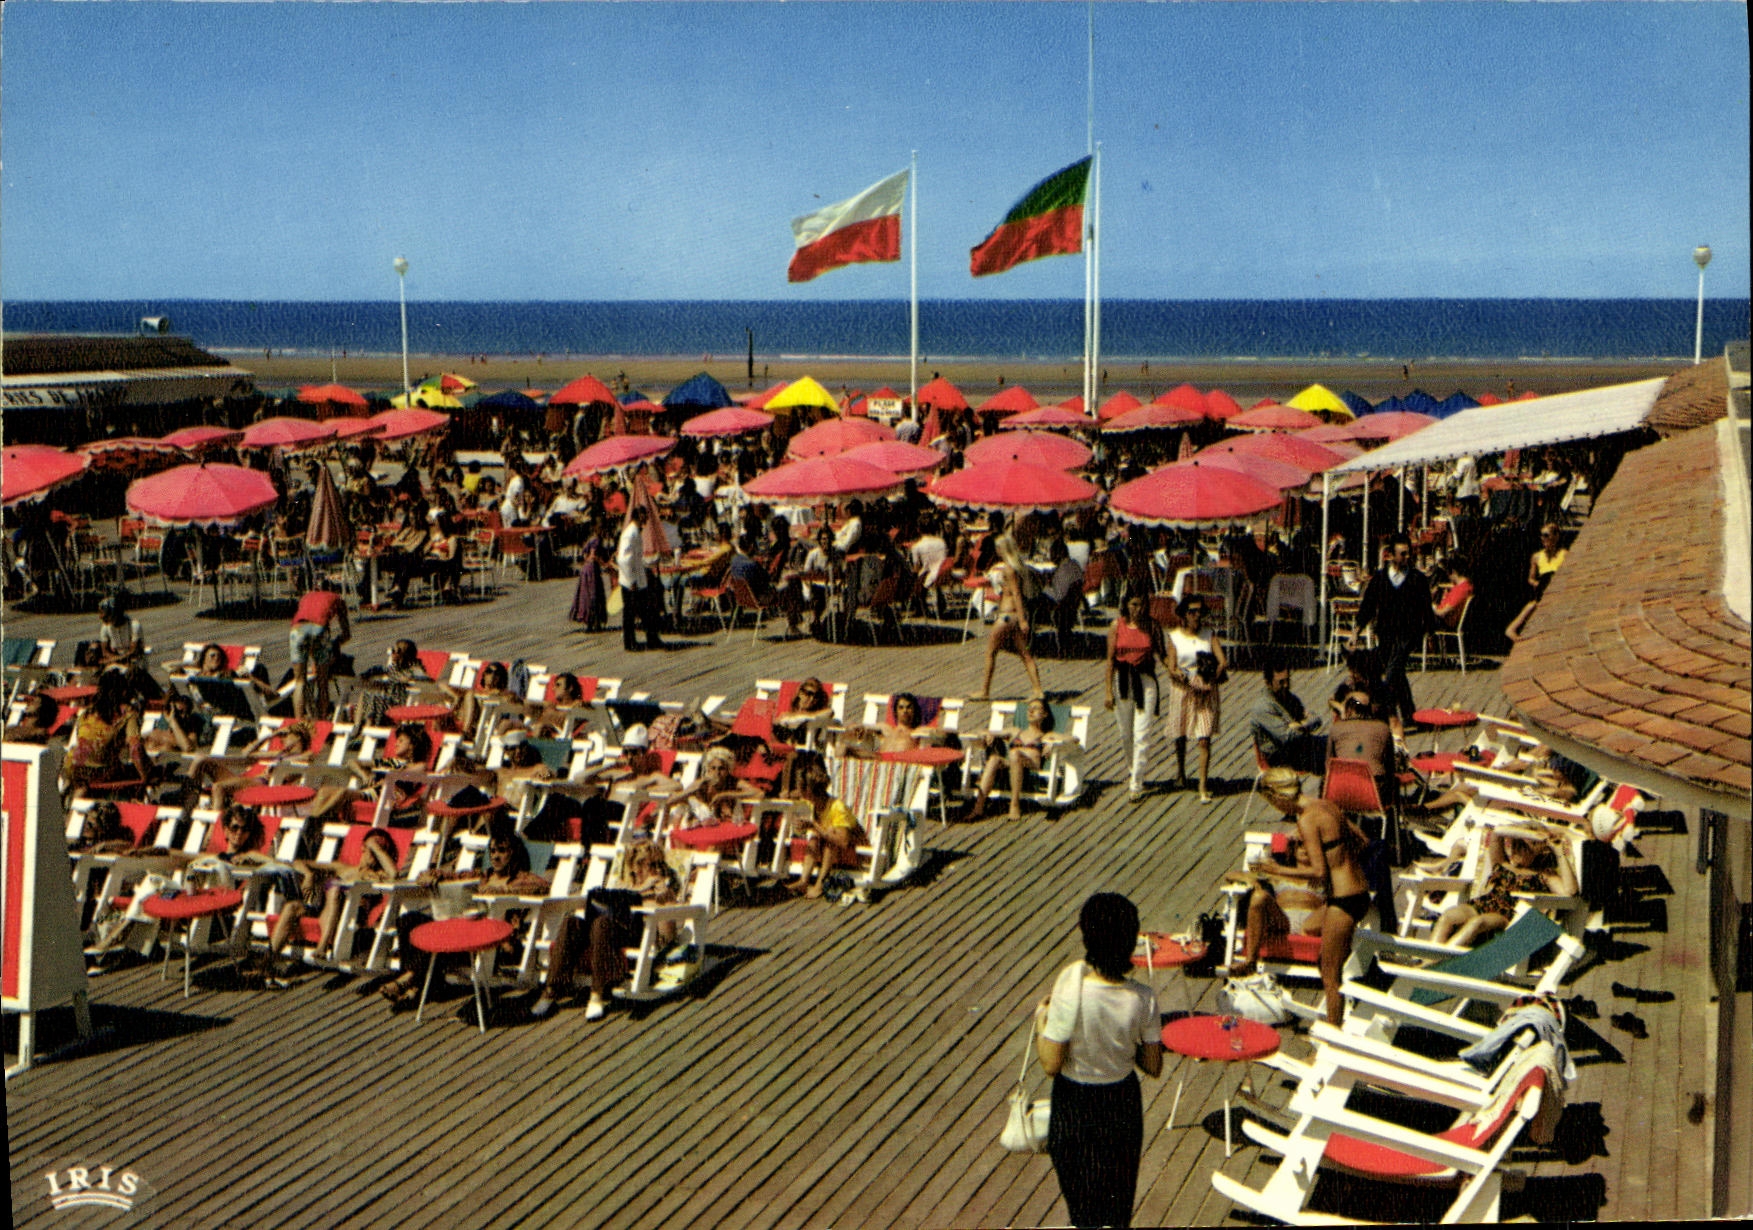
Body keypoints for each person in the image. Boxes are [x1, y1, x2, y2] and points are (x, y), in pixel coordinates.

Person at [1035, 893, 1162, 1229]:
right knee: (1117, 1209)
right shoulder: (1143, 998)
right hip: (1121, 1104)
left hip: (1075, 1103)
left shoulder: (1070, 983)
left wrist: (1040, 1024)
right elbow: (1153, 1065)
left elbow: (1050, 1063)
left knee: (1083, 1212)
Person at [1255, 768, 1371, 1026]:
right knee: (1322, 956)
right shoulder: (1327, 806)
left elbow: (1317, 872)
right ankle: (1335, 1024)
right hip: (1358, 892)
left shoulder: (1306, 820)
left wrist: (1278, 870)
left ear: (1278, 796)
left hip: (1343, 900)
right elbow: (1362, 840)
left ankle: (1333, 1040)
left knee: (1330, 976)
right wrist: (1338, 858)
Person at [530, 837, 680, 1021]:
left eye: (658, 864)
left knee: (602, 923)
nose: (653, 869)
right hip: (604, 938)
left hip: (637, 939)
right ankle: (550, 991)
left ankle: (597, 993)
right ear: (632, 866)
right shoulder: (621, 888)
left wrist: (661, 902)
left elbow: (668, 937)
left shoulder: (662, 891)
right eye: (645, 863)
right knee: (571, 922)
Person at [264, 827, 401, 982]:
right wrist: (309, 875)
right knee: (292, 907)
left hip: (347, 920)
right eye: (372, 847)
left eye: (382, 849)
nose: (376, 852)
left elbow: (394, 874)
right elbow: (298, 863)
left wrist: (375, 847)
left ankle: (322, 946)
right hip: (323, 910)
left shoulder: (377, 875)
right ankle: (268, 963)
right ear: (363, 847)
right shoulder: (343, 868)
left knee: (334, 888)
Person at [1432, 827, 1578, 946]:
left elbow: (1570, 891)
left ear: (1541, 851)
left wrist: (1558, 850)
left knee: (1478, 922)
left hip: (1505, 916)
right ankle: (1428, 961)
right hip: (1481, 904)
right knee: (1448, 916)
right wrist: (1529, 834)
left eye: (1525, 847)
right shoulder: (1501, 862)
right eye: (1516, 844)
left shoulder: (1544, 875)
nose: (1518, 850)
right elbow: (1497, 832)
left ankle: (1440, 965)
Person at [1350, 534, 1433, 728]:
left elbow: (1425, 607)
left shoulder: (1416, 578)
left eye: (1408, 553)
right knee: (1399, 675)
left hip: (1408, 635)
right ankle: (1410, 715)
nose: (1406, 557)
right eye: (1402, 554)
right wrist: (1356, 631)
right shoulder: (1380, 579)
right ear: (1391, 555)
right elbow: (1368, 606)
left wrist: (1430, 633)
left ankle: (1386, 717)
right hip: (1386, 634)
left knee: (1392, 673)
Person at [1103, 590, 1164, 800]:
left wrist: (1175, 670)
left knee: (1142, 733)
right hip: (1122, 681)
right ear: (1126, 605)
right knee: (1125, 734)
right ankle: (1133, 771)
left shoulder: (1152, 626)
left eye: (1141, 605)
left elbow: (1164, 652)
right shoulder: (1116, 626)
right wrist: (1107, 691)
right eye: (1134, 604)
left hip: (1145, 681)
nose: (1138, 610)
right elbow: (1110, 660)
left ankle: (1136, 783)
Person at [1166, 595, 1226, 803]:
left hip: (1206, 689)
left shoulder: (1209, 635)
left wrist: (1211, 679)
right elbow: (1171, 667)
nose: (1196, 615)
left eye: (1199, 611)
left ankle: (1202, 785)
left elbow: (1222, 662)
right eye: (1192, 611)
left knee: (1204, 737)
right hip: (1183, 689)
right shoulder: (1174, 636)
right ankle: (1181, 773)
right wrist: (1178, 675)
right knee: (1180, 733)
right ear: (1183, 614)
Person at [973, 534, 1044, 701]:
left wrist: (1022, 620)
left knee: (991, 651)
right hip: (1014, 616)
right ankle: (1038, 689)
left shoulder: (1008, 569)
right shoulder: (1017, 567)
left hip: (1006, 616)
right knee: (1025, 654)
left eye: (998, 548)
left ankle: (985, 691)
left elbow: (1016, 594)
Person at [968, 697, 1061, 822]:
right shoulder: (1016, 732)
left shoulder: (1046, 735)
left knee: (1015, 753)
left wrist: (1053, 743)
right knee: (995, 759)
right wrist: (988, 734)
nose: (1031, 711)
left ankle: (1014, 804)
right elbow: (982, 731)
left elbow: (1074, 739)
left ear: (1045, 714)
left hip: (1030, 766)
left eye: (1036, 708)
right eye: (1029, 709)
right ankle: (978, 808)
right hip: (1013, 764)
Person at [62, 671, 148, 801]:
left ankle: (72, 794)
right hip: (98, 771)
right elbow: (135, 748)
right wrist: (144, 777)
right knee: (133, 774)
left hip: (71, 764)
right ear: (124, 691)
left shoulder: (89, 711)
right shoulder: (127, 713)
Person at [789, 758, 865, 900]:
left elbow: (843, 841)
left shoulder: (837, 807)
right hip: (833, 840)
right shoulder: (812, 804)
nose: (798, 790)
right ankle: (804, 880)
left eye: (800, 787)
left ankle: (820, 884)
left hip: (854, 845)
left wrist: (814, 826)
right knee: (814, 838)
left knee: (830, 838)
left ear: (809, 790)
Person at [1250, 659, 1324, 777]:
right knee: (1331, 753)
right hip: (1279, 757)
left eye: (1288, 680)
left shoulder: (1288, 697)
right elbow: (1287, 736)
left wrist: (1298, 726)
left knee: (1335, 743)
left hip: (1298, 746)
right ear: (1268, 683)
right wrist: (1305, 724)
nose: (1286, 685)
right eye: (1281, 682)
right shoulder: (1263, 707)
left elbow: (1317, 719)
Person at [288, 582, 350, 720]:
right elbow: (346, 635)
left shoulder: (306, 597)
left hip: (297, 630)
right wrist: (335, 643)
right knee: (322, 683)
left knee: (300, 682)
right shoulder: (338, 599)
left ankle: (299, 722)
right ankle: (322, 720)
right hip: (319, 629)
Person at [1505, 523, 1567, 641]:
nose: (1543, 538)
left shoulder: (1564, 555)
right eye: (1541, 535)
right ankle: (1512, 629)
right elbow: (1531, 578)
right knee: (1535, 603)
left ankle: (1513, 628)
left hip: (1557, 583)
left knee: (1535, 604)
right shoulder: (1537, 557)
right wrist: (1536, 583)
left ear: (1556, 536)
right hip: (1543, 584)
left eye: (1546, 535)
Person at [617, 506, 666, 651]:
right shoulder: (630, 534)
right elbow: (624, 559)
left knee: (645, 611)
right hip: (631, 581)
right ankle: (631, 643)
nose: (646, 520)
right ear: (639, 517)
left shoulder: (635, 532)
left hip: (638, 579)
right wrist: (631, 580)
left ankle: (651, 639)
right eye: (644, 517)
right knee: (631, 613)